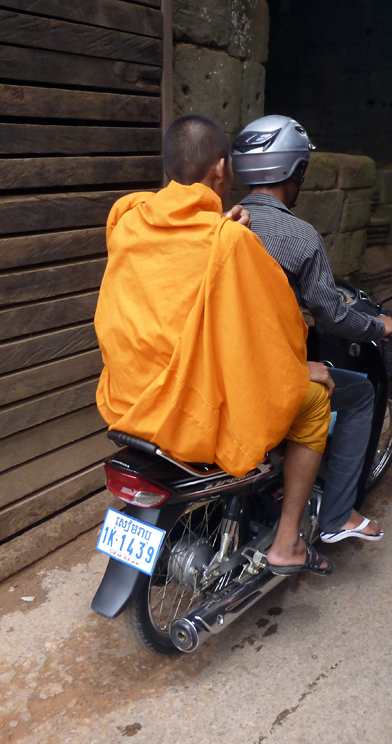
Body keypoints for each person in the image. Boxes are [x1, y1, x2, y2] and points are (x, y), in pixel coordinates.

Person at [94, 114, 335, 576]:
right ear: (221, 169)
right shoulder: (230, 241)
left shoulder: (126, 221)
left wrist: (222, 228)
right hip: (185, 412)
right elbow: (274, 331)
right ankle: (287, 543)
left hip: (125, 400)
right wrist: (301, 368)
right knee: (314, 404)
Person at [233, 114, 392, 544]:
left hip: (222, 363)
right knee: (360, 394)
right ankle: (338, 515)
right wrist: (375, 326)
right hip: (263, 374)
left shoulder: (220, 222)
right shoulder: (299, 236)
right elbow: (331, 315)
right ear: (296, 171)